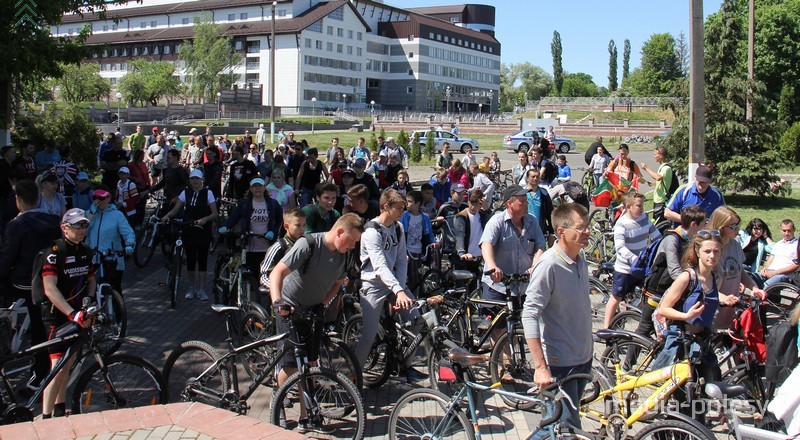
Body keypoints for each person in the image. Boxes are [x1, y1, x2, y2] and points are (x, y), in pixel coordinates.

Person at [269, 213, 363, 427]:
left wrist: (323, 304)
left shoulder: (343, 254)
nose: (352, 246)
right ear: (339, 232)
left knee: (310, 363)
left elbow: (338, 284)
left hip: (313, 310)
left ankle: (306, 414)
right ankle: (279, 402)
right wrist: (278, 303)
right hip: (290, 307)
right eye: (351, 241)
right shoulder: (309, 244)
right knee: (292, 365)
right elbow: (277, 273)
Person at [523, 203, 593, 432]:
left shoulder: (579, 258)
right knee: (562, 427)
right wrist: (540, 367)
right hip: (560, 364)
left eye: (588, 226)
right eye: (581, 228)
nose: (587, 232)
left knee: (557, 426)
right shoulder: (549, 265)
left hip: (583, 358)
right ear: (561, 231)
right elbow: (529, 314)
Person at [354, 190, 426, 381]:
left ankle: (405, 364)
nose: (403, 211)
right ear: (386, 207)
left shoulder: (399, 228)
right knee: (368, 336)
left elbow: (402, 259)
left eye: (404, 207)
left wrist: (400, 290)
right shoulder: (371, 231)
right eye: (399, 207)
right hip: (374, 284)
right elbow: (379, 266)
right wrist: (398, 290)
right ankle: (353, 378)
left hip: (394, 283)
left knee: (417, 318)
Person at [626, 205, 708, 367]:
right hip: (656, 291)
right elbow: (674, 270)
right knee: (644, 328)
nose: (706, 226)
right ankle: (627, 365)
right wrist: (692, 282)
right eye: (704, 223)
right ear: (693, 225)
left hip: (673, 291)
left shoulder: (691, 240)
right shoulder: (672, 239)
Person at [0, 180, 61, 394]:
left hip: (23, 282)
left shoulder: (15, 225)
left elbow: (7, 258)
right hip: (48, 281)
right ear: (37, 198)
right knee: (40, 331)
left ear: (18, 201)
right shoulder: (54, 221)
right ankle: (38, 376)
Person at [650, 230, 724, 392]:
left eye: (716, 251)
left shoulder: (716, 278)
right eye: (707, 251)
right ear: (697, 252)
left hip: (703, 342)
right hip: (682, 342)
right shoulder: (687, 277)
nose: (712, 256)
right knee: (682, 394)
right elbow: (664, 309)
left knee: (707, 390)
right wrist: (686, 316)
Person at [39, 208, 96, 419]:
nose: (81, 230)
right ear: (64, 228)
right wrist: (72, 313)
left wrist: (89, 301)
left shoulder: (86, 252)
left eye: (84, 225)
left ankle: (60, 408)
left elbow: (91, 281)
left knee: (68, 363)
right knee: (56, 367)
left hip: (77, 315)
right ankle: (45, 417)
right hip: (57, 316)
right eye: (76, 225)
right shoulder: (54, 251)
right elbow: (49, 288)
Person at [603, 192, 661, 329]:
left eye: (643, 206)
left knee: (648, 293)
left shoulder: (645, 219)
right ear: (628, 206)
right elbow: (620, 248)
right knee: (616, 297)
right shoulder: (621, 224)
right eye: (639, 206)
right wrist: (635, 258)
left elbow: (658, 237)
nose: (642, 209)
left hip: (641, 267)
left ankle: (633, 315)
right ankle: (605, 328)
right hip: (625, 269)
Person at [481, 185, 546, 302]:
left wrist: (534, 267)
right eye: (522, 202)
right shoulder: (497, 222)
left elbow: (540, 246)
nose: (527, 204)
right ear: (509, 204)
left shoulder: (532, 221)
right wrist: (492, 265)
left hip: (524, 287)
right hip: (498, 288)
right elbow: (486, 244)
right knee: (492, 319)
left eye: (526, 200)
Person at [160, 169, 219, 300]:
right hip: (189, 228)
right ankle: (191, 286)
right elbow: (175, 210)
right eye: (192, 179)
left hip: (203, 229)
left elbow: (215, 213)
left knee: (202, 260)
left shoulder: (208, 193)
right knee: (191, 259)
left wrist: (205, 219)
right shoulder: (185, 193)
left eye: (197, 179)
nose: (195, 181)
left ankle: (202, 288)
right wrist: (166, 216)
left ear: (201, 180)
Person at [707, 206, 765, 329]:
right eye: (733, 226)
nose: (737, 229)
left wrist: (754, 288)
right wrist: (722, 297)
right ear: (721, 227)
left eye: (737, 225)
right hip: (713, 310)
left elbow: (740, 270)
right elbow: (702, 282)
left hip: (731, 309)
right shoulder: (710, 249)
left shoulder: (735, 243)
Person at [220, 177, 282, 284]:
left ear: (264, 188)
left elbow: (280, 221)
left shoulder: (273, 204)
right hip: (249, 245)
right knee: (251, 278)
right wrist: (226, 226)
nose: (257, 188)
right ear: (250, 189)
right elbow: (233, 218)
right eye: (254, 186)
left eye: (259, 186)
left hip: (267, 246)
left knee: (268, 276)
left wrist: (273, 232)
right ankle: (252, 299)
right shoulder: (244, 204)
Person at [85, 187, 135, 294]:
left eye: (101, 198)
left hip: (112, 258)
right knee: (92, 290)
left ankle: (117, 310)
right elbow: (82, 233)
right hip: (93, 258)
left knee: (115, 288)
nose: (98, 201)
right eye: (95, 198)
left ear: (109, 198)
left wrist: (129, 244)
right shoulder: (88, 214)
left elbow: (128, 233)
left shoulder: (117, 215)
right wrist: (91, 216)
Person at [259, 208, 306, 291]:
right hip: (284, 296)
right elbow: (264, 276)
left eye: (304, 225)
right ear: (286, 226)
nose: (302, 229)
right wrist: (279, 289)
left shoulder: (307, 245)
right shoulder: (279, 247)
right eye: (298, 225)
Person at [401, 191, 436, 294]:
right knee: (407, 277)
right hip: (407, 250)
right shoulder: (404, 216)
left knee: (417, 277)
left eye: (410, 201)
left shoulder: (424, 217)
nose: (407, 204)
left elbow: (429, 233)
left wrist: (432, 242)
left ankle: (415, 297)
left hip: (419, 250)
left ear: (418, 203)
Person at [453, 189, 489, 273]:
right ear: (468, 201)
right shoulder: (462, 216)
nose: (473, 207)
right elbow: (460, 236)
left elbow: (493, 223)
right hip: (466, 258)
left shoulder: (482, 215)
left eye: (477, 204)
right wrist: (462, 253)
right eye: (472, 203)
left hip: (479, 258)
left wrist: (486, 207)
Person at [640, 146, 675, 224]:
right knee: (656, 221)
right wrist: (652, 183)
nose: (654, 156)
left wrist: (646, 168)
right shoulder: (662, 167)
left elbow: (658, 177)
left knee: (660, 223)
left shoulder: (666, 168)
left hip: (662, 200)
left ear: (661, 155)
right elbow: (662, 181)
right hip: (657, 199)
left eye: (655, 154)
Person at [760, 219, 798, 289]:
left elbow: (796, 265)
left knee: (767, 286)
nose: (786, 233)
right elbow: (770, 260)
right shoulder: (778, 244)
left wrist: (776, 272)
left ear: (794, 229)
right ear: (781, 230)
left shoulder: (797, 245)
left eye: (789, 230)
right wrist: (764, 269)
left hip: (783, 275)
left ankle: (757, 298)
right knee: (752, 278)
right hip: (769, 272)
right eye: (784, 230)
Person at [524, 169, 554, 236]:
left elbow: (550, 214)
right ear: (527, 178)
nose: (535, 179)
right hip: (524, 231)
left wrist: (551, 233)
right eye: (533, 177)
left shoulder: (544, 194)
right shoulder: (522, 194)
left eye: (537, 177)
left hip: (540, 231)